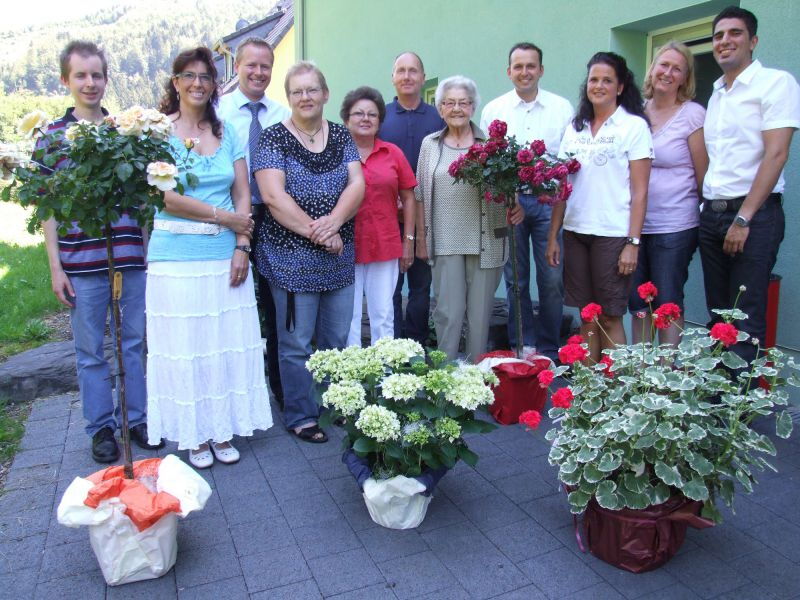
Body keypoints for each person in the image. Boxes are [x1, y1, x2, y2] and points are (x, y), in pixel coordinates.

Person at [146, 47, 272, 468]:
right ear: (176, 82)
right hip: (175, 258)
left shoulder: (227, 132)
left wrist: (241, 244)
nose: (199, 83)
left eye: (206, 76)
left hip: (224, 254)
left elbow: (242, 191)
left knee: (221, 345)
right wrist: (228, 219)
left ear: (214, 84)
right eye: (190, 75)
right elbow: (167, 198)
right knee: (187, 346)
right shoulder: (158, 132)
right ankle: (193, 435)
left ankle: (220, 429)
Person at [39, 40, 161, 463]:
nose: (90, 83)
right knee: (91, 352)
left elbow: (146, 205)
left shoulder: (127, 134)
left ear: (107, 79)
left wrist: (148, 255)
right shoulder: (52, 139)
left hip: (129, 260)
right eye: (81, 75)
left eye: (97, 75)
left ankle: (137, 419)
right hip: (82, 264)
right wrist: (56, 268)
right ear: (66, 80)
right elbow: (48, 209)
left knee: (133, 343)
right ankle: (101, 428)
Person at [253, 61, 364, 443]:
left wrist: (333, 223)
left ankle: (336, 406)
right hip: (289, 260)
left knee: (335, 340)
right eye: (297, 91)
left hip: (337, 258)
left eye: (312, 89)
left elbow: (357, 184)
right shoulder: (272, 139)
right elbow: (272, 196)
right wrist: (321, 233)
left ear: (325, 94)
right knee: (297, 344)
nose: (305, 97)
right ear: (290, 97)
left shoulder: (342, 136)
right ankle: (301, 414)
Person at [700, 6, 800, 362]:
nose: (725, 41)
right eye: (719, 35)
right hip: (712, 215)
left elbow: (776, 154)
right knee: (718, 316)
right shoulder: (716, 95)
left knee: (745, 316)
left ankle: (737, 414)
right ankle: (717, 401)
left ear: (753, 41)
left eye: (735, 33)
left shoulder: (775, 83)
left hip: (752, 217)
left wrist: (743, 219)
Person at [546, 52, 653, 362]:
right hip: (576, 231)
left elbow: (641, 192)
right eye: (594, 79)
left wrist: (633, 243)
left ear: (620, 87)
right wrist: (554, 235)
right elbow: (562, 188)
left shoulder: (633, 127)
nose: (599, 85)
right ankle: (591, 388)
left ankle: (616, 390)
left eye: (607, 80)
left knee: (610, 315)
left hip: (613, 234)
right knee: (587, 315)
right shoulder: (575, 128)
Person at [416, 75, 524, 361]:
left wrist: (517, 206)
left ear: (473, 107)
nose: (456, 108)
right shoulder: (430, 145)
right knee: (447, 316)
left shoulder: (491, 144)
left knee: (479, 318)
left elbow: (508, 188)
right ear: (440, 109)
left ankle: (477, 383)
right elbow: (419, 195)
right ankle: (446, 382)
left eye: (463, 102)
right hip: (444, 240)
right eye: (449, 102)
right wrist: (420, 240)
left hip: (486, 241)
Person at [480, 42, 573, 362]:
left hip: (549, 204)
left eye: (530, 66)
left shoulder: (562, 109)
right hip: (510, 205)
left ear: (541, 70)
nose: (524, 72)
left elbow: (565, 166)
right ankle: (523, 345)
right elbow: (490, 163)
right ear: (509, 72)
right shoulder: (494, 110)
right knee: (515, 279)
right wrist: (509, 197)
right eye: (518, 67)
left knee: (551, 279)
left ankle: (549, 347)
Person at [217, 37, 289, 408]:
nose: (259, 72)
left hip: (274, 218)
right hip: (231, 215)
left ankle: (279, 389)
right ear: (237, 67)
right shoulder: (219, 112)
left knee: (276, 306)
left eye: (265, 66)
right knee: (235, 303)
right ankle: (238, 391)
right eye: (251, 65)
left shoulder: (280, 114)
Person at [629, 42, 708, 345]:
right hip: (636, 226)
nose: (668, 73)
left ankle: (667, 377)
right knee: (638, 304)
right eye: (664, 65)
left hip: (675, 225)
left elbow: (703, 177)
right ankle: (640, 376)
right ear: (652, 68)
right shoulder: (636, 113)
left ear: (685, 78)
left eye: (677, 68)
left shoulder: (692, 115)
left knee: (667, 302)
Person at [340, 86, 417, 346]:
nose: (365, 119)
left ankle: (384, 377)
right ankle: (350, 380)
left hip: (385, 244)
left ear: (380, 120)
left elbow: (409, 197)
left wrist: (409, 240)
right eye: (358, 113)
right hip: (343, 246)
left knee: (383, 315)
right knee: (346, 317)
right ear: (346, 119)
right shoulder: (335, 154)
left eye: (372, 114)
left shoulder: (392, 153)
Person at [379, 52, 445, 345]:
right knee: (390, 286)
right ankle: (393, 346)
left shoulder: (437, 117)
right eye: (401, 71)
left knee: (421, 285)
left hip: (426, 215)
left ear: (422, 76)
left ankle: (416, 344)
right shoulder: (381, 117)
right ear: (392, 77)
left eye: (413, 71)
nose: (407, 76)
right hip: (386, 216)